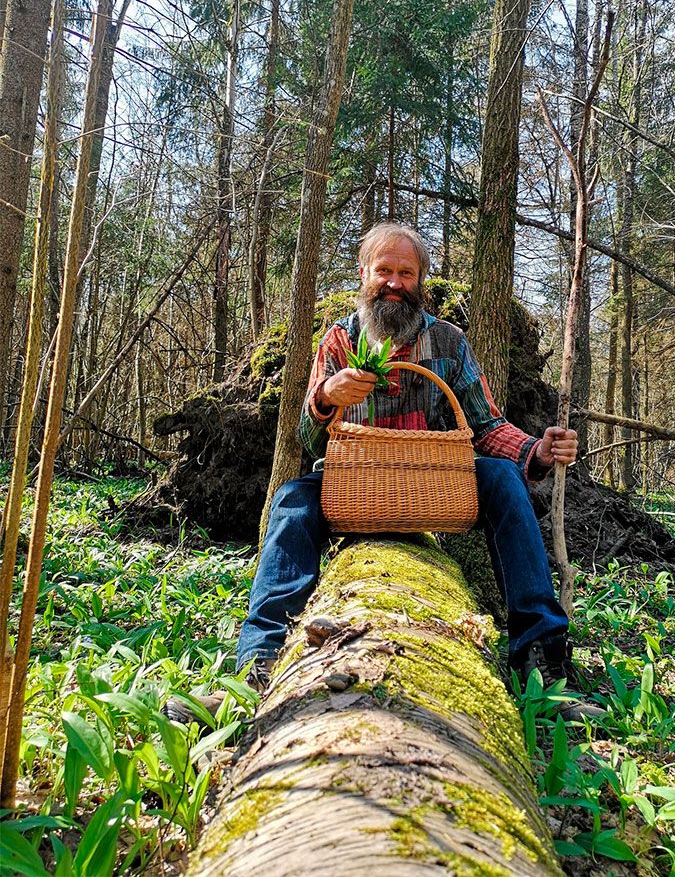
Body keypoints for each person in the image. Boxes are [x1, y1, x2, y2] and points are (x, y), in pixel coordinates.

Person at [168, 223, 592, 723]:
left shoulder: (448, 342)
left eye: (405, 273)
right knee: (291, 500)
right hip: (352, 485)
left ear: (420, 280)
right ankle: (257, 670)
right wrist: (327, 398)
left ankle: (541, 662)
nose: (394, 282)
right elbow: (308, 439)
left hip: (432, 485)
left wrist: (538, 451)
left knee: (501, 478)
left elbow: (485, 425)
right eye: (383, 271)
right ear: (365, 276)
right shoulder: (339, 341)